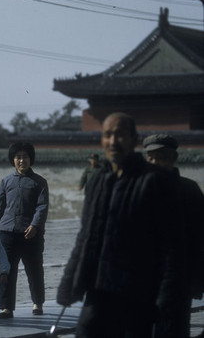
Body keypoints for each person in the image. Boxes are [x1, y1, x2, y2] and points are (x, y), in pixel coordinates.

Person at [56, 113, 182, 338]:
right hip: (97, 291)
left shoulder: (154, 180)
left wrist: (166, 301)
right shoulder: (98, 180)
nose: (113, 142)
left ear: (134, 139)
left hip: (138, 294)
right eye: (107, 135)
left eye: (120, 135)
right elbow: (85, 236)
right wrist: (69, 283)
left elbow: (171, 248)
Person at [143, 134, 204, 338]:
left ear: (172, 158)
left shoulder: (189, 190)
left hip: (178, 280)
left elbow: (200, 238)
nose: (153, 162)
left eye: (159, 157)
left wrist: (197, 281)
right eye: (150, 158)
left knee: (174, 330)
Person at [0, 142, 49, 319]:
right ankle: (6, 308)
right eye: (18, 157)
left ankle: (37, 303)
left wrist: (35, 225)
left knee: (34, 269)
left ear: (31, 159)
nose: (21, 160)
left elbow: (42, 206)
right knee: (6, 270)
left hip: (31, 234)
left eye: (25, 157)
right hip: (8, 233)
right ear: (13, 160)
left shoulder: (39, 182)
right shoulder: (6, 181)